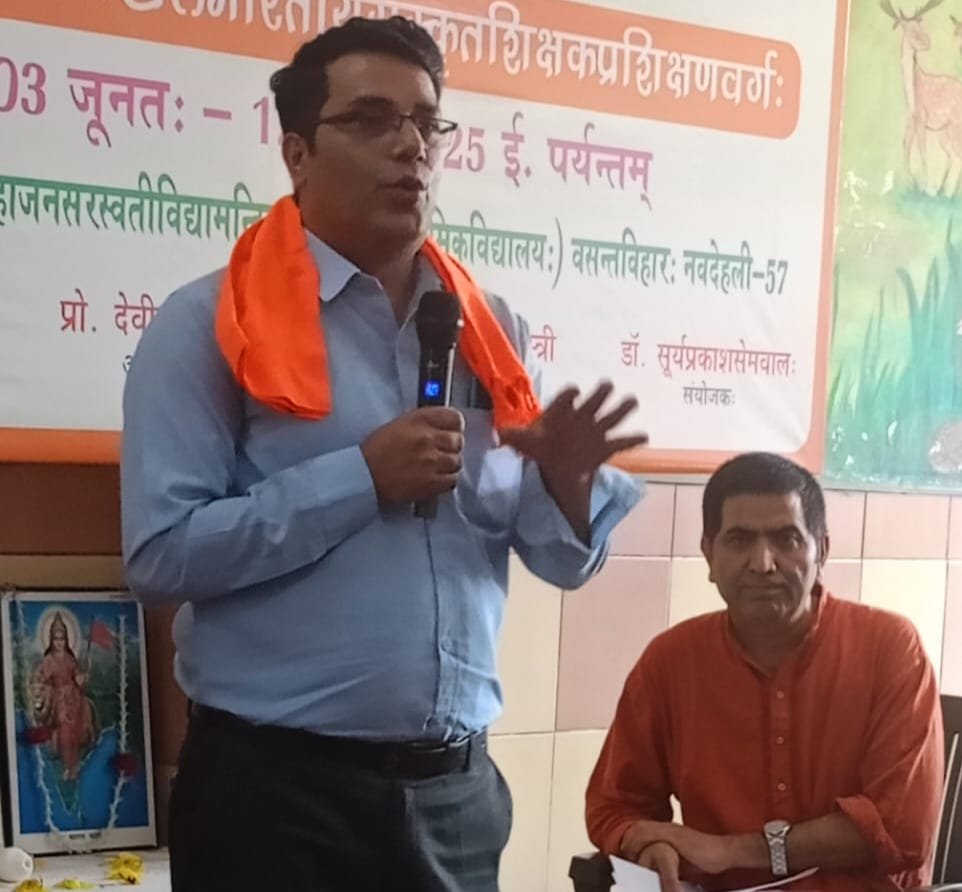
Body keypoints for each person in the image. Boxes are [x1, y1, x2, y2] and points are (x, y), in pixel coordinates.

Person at [120, 15, 645, 892]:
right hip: (274, 798)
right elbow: (161, 556)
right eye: (371, 119)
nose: (410, 146)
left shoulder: (491, 330)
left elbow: (562, 561)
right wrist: (360, 477)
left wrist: (568, 480)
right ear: (296, 153)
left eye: (427, 122)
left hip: (454, 796)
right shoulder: (208, 324)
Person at [586, 452, 944, 892]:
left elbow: (902, 829)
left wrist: (731, 851)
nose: (762, 563)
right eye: (739, 540)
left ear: (821, 550)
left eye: (786, 539)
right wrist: (650, 847)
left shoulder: (890, 648)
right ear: (708, 554)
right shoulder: (671, 661)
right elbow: (615, 805)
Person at [32, 612, 95, 782]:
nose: (59, 642)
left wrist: (83, 678)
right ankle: (68, 766)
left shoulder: (69, 659)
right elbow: (40, 680)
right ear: (51, 640)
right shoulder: (48, 660)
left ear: (66, 640)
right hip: (58, 699)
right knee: (64, 728)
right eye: (56, 639)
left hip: (74, 697)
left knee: (82, 720)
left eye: (62, 639)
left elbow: (77, 679)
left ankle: (78, 761)